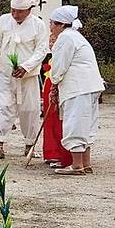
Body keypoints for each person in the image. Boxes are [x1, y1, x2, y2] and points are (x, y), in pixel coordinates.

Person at [0, 0, 48, 159]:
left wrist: (26, 67)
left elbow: (41, 50)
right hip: (6, 75)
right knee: (2, 107)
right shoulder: (3, 21)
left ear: (29, 10)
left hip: (27, 76)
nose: (15, 15)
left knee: (30, 109)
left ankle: (30, 145)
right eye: (13, 11)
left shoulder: (38, 25)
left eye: (20, 12)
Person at [49, 5, 105, 176]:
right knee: (86, 123)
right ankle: (85, 163)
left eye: (51, 23)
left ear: (60, 24)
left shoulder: (65, 38)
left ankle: (77, 165)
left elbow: (59, 66)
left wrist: (54, 84)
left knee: (75, 123)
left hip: (78, 87)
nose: (50, 26)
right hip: (89, 85)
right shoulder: (76, 37)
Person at [41, 32, 72, 168]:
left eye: (54, 41)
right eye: (50, 40)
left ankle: (62, 154)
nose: (51, 43)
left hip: (58, 88)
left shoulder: (63, 56)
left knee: (59, 122)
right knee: (49, 122)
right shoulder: (49, 57)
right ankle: (50, 152)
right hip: (47, 89)